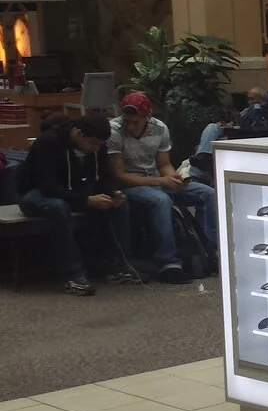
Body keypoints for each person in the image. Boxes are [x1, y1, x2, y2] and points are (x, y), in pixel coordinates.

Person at [17, 116, 139, 295]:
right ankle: (73, 275)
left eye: (100, 145)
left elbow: (104, 177)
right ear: (77, 133)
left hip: (74, 191)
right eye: (92, 143)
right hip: (35, 194)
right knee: (58, 207)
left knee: (119, 204)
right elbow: (47, 185)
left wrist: (113, 193)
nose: (95, 148)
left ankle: (119, 267)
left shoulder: (97, 147)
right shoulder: (48, 142)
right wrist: (86, 201)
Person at [109, 92, 218, 283]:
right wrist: (160, 181)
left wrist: (174, 178)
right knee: (161, 200)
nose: (130, 126)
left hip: (155, 178)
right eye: (127, 121)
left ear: (147, 117)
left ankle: (209, 253)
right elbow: (120, 175)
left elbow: (164, 164)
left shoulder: (159, 128)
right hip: (130, 184)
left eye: (135, 122)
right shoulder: (114, 131)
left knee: (207, 193)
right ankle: (169, 263)